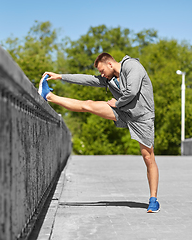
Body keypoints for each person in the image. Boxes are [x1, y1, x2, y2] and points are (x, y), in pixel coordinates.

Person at [38, 52, 160, 213]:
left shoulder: (132, 66)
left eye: (102, 71)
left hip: (141, 118)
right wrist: (61, 76)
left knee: (148, 157)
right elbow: (88, 79)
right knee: (88, 105)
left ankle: (153, 200)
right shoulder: (109, 78)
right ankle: (49, 96)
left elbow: (132, 91)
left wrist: (117, 103)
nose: (101, 74)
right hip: (123, 112)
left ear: (110, 64)